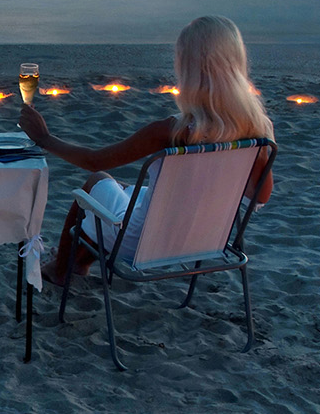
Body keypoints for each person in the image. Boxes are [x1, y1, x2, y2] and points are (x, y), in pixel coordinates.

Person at [18, 16, 275, 284]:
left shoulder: (171, 132)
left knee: (96, 183)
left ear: (188, 68)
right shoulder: (256, 136)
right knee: (127, 193)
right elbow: (261, 197)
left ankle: (61, 271)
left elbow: (94, 160)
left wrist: (45, 138)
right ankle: (79, 263)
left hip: (144, 244)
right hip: (206, 240)